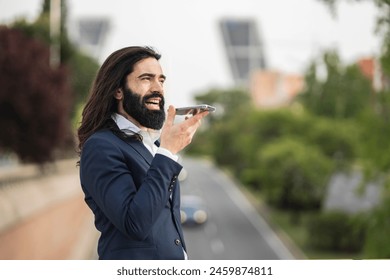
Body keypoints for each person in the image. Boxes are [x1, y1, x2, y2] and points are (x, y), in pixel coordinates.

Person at [77, 46, 209, 260]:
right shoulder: (101, 146)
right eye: (147, 79)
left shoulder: (152, 144)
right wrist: (168, 152)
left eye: (161, 80)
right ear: (118, 90)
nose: (158, 88)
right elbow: (134, 223)